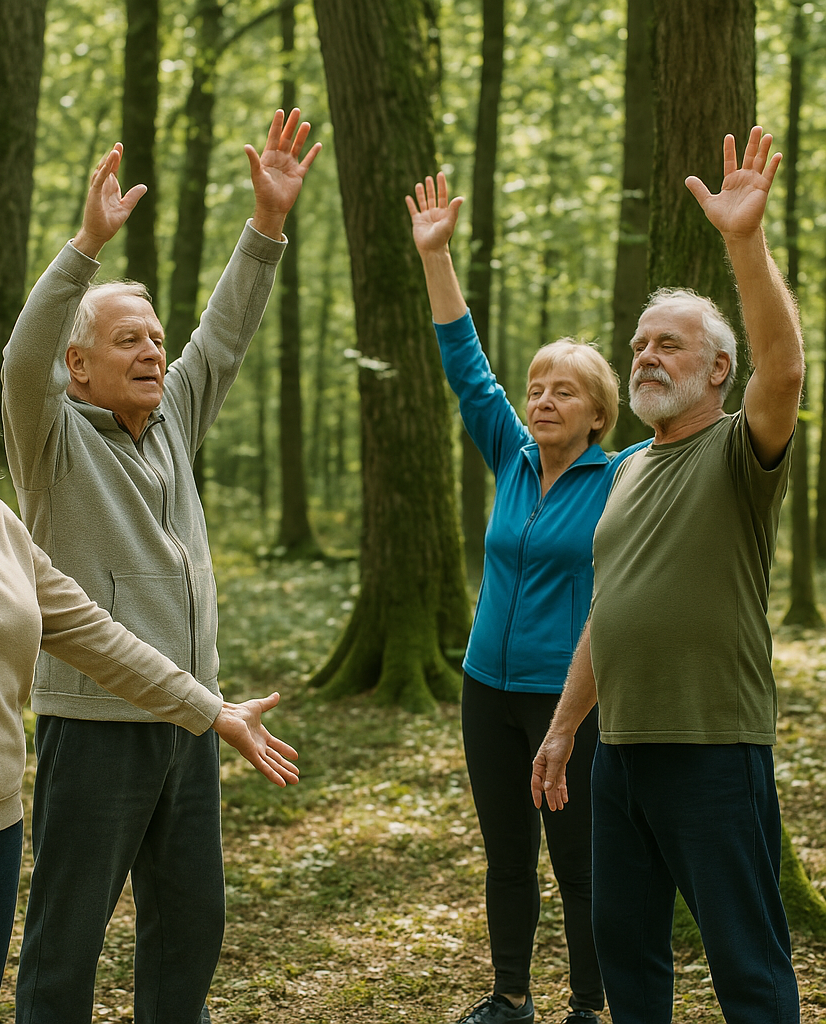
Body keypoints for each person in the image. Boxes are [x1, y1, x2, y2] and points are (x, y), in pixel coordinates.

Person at [0, 64, 298, 1024]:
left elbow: (96, 628)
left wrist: (213, 710)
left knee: (179, 931)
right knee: (46, 957)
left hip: (6, 814)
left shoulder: (8, 513)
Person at [1, 110, 320, 1023]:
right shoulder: (51, 436)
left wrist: (266, 229)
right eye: (128, 340)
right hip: (94, 719)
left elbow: (220, 338)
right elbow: (22, 356)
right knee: (68, 938)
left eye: (154, 336)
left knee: (190, 927)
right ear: (79, 365)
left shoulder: (172, 416)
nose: (152, 350)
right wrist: (86, 249)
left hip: (192, 716)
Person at [532, 127, 803, 1024]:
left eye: (672, 346)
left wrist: (744, 242)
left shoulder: (739, 451)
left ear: (718, 370)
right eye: (642, 342)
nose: (647, 354)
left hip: (714, 751)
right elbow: (610, 612)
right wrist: (567, 728)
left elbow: (788, 367)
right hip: (622, 754)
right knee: (628, 957)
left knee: (746, 963)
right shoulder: (627, 468)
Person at [406, 173, 649, 1024]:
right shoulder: (510, 454)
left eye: (565, 391)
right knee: (506, 856)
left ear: (597, 416)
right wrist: (436, 255)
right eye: (538, 387)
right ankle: (510, 995)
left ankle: (589, 1004)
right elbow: (467, 366)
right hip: (486, 688)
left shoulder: (621, 477)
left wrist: (569, 716)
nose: (542, 399)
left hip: (566, 698)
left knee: (578, 860)